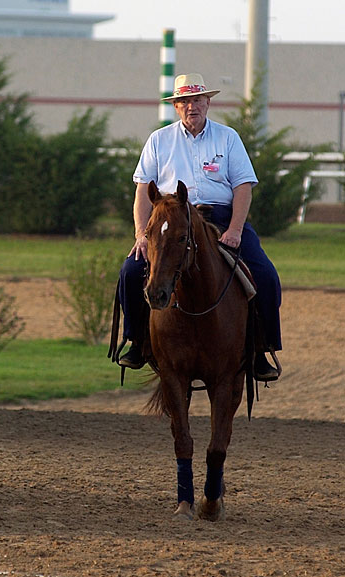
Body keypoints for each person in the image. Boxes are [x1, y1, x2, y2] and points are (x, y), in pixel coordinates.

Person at [117, 73, 281, 382]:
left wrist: (234, 230)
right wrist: (141, 234)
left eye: (197, 100)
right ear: (176, 107)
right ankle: (138, 342)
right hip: (171, 220)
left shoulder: (228, 137)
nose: (192, 107)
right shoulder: (159, 140)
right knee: (130, 271)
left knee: (266, 276)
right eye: (185, 102)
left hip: (220, 218)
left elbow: (243, 186)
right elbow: (142, 191)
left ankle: (260, 350)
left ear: (207, 103)